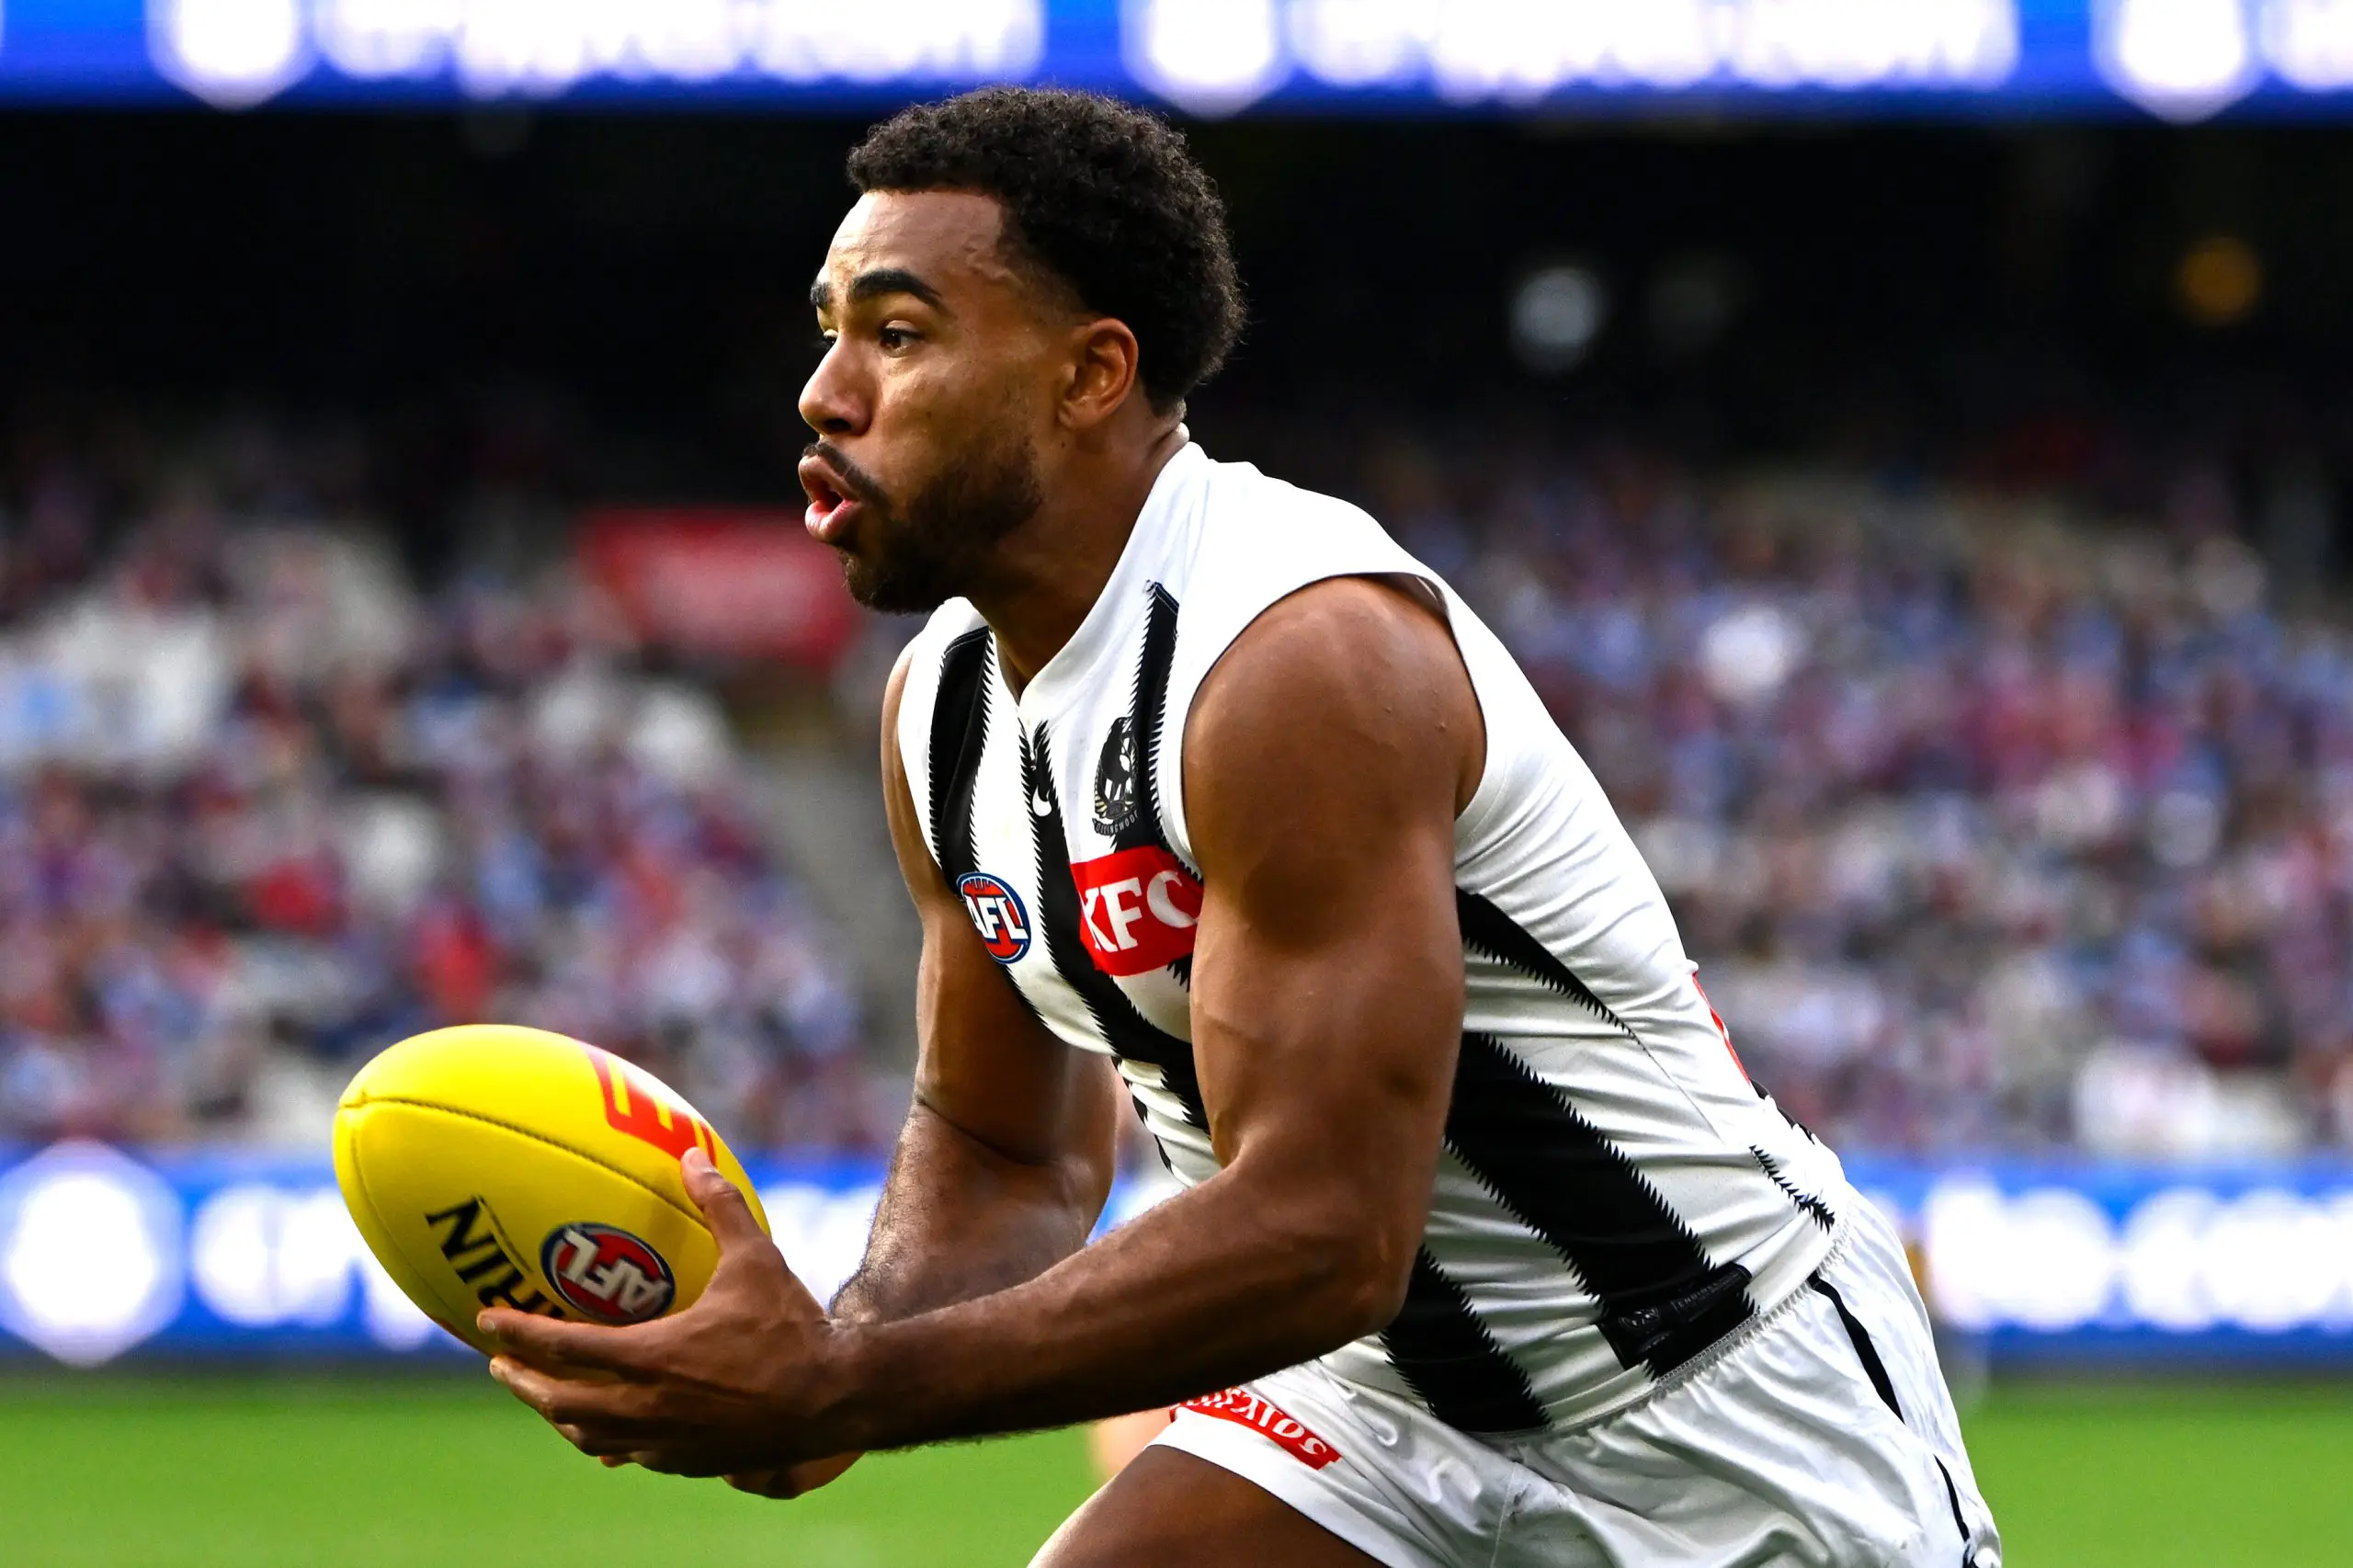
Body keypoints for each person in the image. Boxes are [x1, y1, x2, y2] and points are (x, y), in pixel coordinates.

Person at [481, 87, 2002, 1568]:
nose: (825, 392)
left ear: (1090, 375)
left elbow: (1331, 1231)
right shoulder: (935, 711)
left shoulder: (1297, 658)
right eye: (830, 333)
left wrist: (854, 1381)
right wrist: (833, 1357)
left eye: (898, 333)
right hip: (1381, 1412)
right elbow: (1007, 1150)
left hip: (1708, 1399)